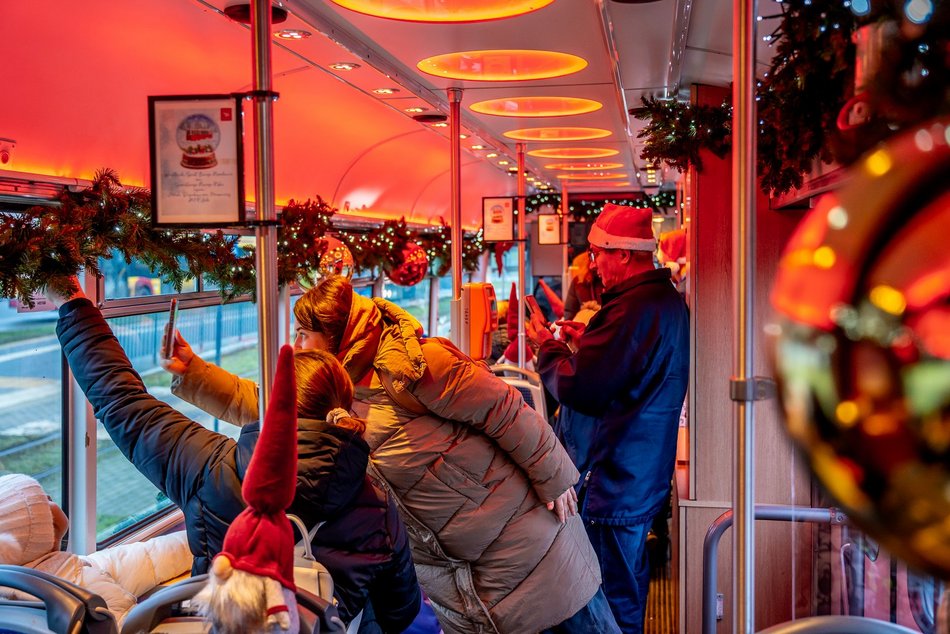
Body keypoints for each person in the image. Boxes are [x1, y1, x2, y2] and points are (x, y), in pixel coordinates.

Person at [166, 275, 617, 634]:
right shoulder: (330, 394)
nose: (297, 346)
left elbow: (507, 411)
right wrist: (195, 373)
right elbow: (271, 403)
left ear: (335, 336)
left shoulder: (417, 365)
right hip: (458, 580)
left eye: (304, 335)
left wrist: (557, 479)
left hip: (529, 548)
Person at [45, 280, 420, 632]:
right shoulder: (378, 509)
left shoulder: (209, 467)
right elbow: (400, 609)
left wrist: (74, 304)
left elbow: (121, 400)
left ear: (269, 406)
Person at [525, 203, 690, 633]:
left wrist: (548, 346)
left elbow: (583, 388)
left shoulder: (632, 310)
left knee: (607, 597)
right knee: (627, 583)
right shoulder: (658, 301)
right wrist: (589, 342)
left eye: (599, 253)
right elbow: (622, 367)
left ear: (624, 254)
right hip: (640, 470)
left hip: (617, 477)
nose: (594, 264)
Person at [0, 473, 192, 626]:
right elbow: (124, 624)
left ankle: (197, 543)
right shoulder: (84, 589)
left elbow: (147, 557)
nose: (51, 500)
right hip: (117, 612)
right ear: (45, 531)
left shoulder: (13, 581)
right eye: (45, 501)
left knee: (149, 557)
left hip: (88, 569)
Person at [563, 251, 603, 321]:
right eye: (592, 255)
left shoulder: (615, 281)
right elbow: (569, 312)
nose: (593, 265)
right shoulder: (579, 282)